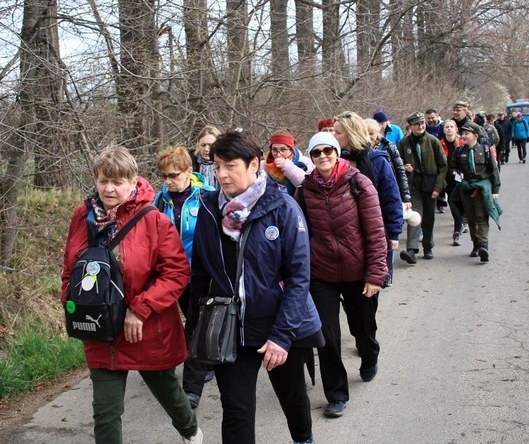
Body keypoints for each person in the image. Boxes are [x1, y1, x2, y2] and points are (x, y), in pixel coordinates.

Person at [189, 129, 324, 444]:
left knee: (293, 402)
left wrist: (281, 336)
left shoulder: (283, 208)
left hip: (282, 327)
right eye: (217, 165)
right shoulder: (209, 209)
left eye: (230, 166)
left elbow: (299, 278)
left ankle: (304, 439)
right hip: (231, 328)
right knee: (236, 412)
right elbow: (200, 274)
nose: (221, 174)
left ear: (253, 165)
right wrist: (195, 327)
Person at [60, 146, 203, 444]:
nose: (108, 189)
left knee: (169, 393)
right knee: (105, 411)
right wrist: (72, 305)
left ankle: (190, 431)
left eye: (117, 182)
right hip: (101, 331)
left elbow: (177, 273)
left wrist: (140, 309)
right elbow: (70, 267)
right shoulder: (82, 215)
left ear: (133, 180)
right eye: (103, 181)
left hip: (146, 329)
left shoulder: (153, 220)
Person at [299, 132, 387, 419]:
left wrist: (375, 274)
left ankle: (369, 352)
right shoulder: (304, 190)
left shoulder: (359, 183)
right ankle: (336, 394)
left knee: (362, 326)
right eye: (316, 152)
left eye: (328, 150)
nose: (323, 156)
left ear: (337, 152)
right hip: (320, 273)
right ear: (311, 158)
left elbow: (375, 231)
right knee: (326, 337)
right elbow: (299, 235)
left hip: (358, 271)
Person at [153, 146, 215, 409]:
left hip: (202, 274)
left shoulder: (209, 196)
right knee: (185, 324)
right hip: (172, 275)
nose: (169, 181)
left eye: (174, 175)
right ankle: (205, 359)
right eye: (164, 175)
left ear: (190, 172)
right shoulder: (159, 200)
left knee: (196, 325)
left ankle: (192, 388)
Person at [334, 111, 403, 287]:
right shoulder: (333, 160)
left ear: (351, 133)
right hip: (343, 235)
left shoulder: (377, 161)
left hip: (373, 234)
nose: (333, 136)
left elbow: (391, 199)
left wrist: (393, 233)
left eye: (338, 132)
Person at [397, 112, 448, 263]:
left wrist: (438, 188)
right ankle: (411, 250)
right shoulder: (404, 143)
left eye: (422, 123)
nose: (420, 126)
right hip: (413, 185)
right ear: (411, 126)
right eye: (417, 124)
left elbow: (443, 166)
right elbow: (397, 163)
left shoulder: (433, 141)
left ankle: (428, 246)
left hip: (430, 184)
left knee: (429, 218)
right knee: (414, 216)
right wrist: (405, 167)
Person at [449, 122, 502, 262]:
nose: (463, 136)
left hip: (482, 186)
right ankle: (476, 245)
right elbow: (452, 168)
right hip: (466, 186)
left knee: (481, 217)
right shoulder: (459, 151)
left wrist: (495, 189)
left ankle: (484, 245)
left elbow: (493, 169)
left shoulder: (484, 150)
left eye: (467, 134)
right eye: (462, 133)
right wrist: (456, 173)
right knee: (471, 218)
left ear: (475, 136)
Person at [262, 128, 314, 196]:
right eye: (274, 150)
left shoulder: (305, 162)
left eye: (283, 150)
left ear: (291, 150)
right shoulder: (263, 166)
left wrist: (288, 167)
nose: (278, 154)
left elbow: (310, 188)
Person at [439, 120, 465, 246]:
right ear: (444, 130)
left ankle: (457, 231)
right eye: (447, 127)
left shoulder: (462, 143)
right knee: (454, 205)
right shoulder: (439, 144)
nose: (449, 129)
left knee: (461, 205)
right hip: (447, 181)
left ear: (456, 129)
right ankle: (458, 229)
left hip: (461, 179)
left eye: (451, 127)